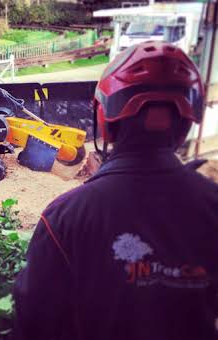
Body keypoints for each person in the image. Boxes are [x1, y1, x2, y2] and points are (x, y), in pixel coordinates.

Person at [13, 41, 218, 340]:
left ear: (103, 120)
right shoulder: (212, 206)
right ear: (187, 123)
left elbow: (34, 326)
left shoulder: (63, 219)